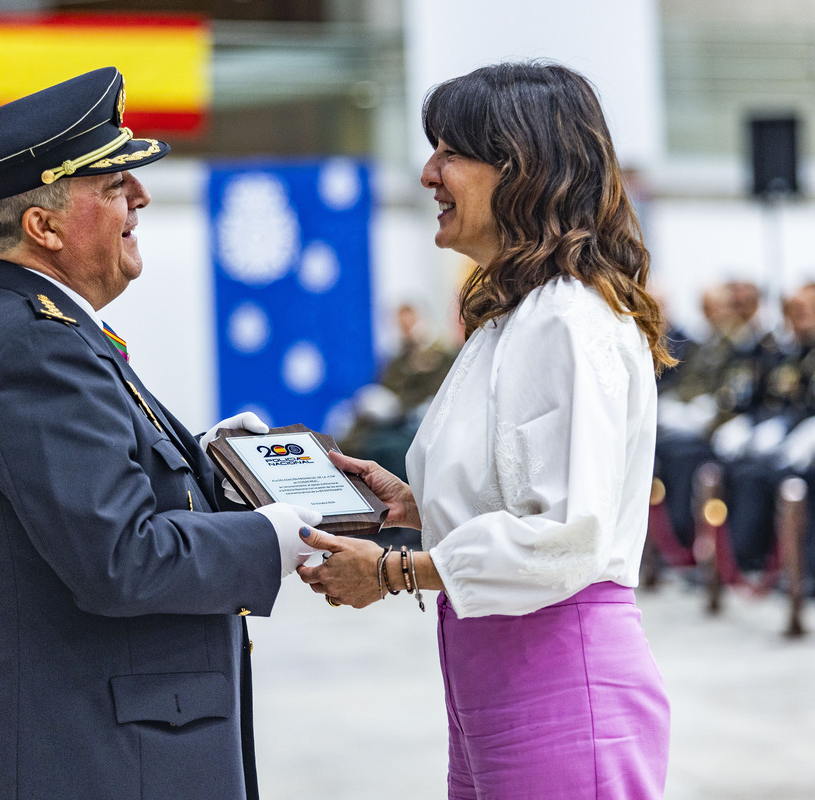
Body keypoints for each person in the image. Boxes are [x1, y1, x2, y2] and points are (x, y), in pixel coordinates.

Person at [0, 67, 322, 799]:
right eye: (112, 186)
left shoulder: (43, 326)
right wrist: (273, 537)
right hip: (85, 759)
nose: (140, 196)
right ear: (42, 226)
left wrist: (205, 464)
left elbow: (89, 493)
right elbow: (119, 557)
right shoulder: (34, 345)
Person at [298, 62, 673, 799]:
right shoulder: (515, 318)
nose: (429, 173)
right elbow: (520, 491)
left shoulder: (567, 318)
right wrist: (414, 506)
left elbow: (565, 533)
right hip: (496, 671)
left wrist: (391, 571)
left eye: (452, 152)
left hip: (561, 673)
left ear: (523, 169)